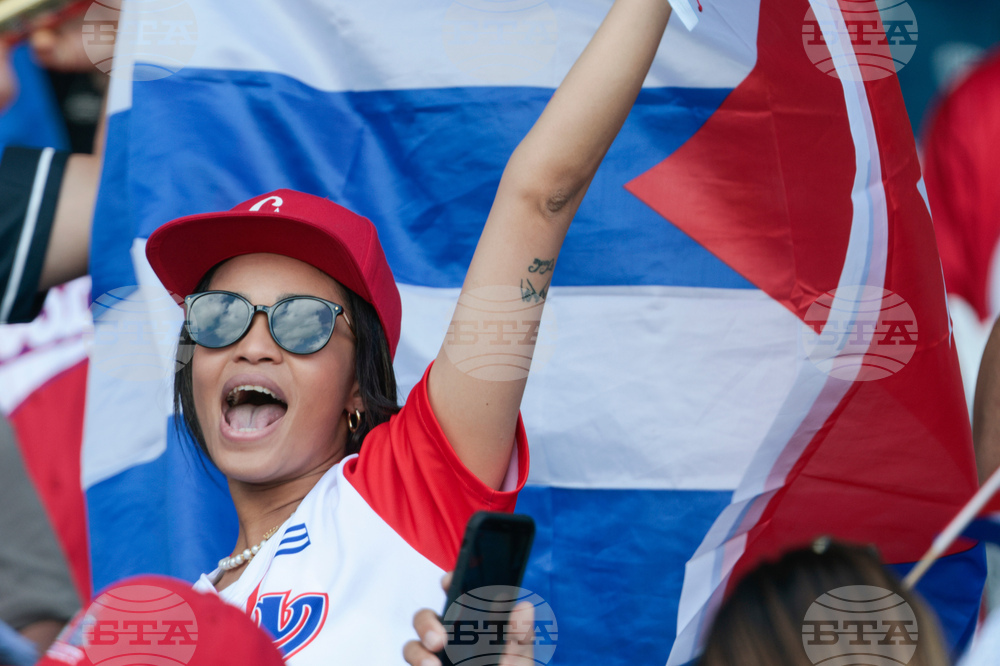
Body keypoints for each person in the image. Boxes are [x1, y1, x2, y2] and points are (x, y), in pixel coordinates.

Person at [141, 0, 675, 662]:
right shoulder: (174, 625)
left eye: (302, 323)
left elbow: (541, 195)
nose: (252, 344)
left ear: (359, 392)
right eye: (219, 315)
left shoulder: (406, 484)